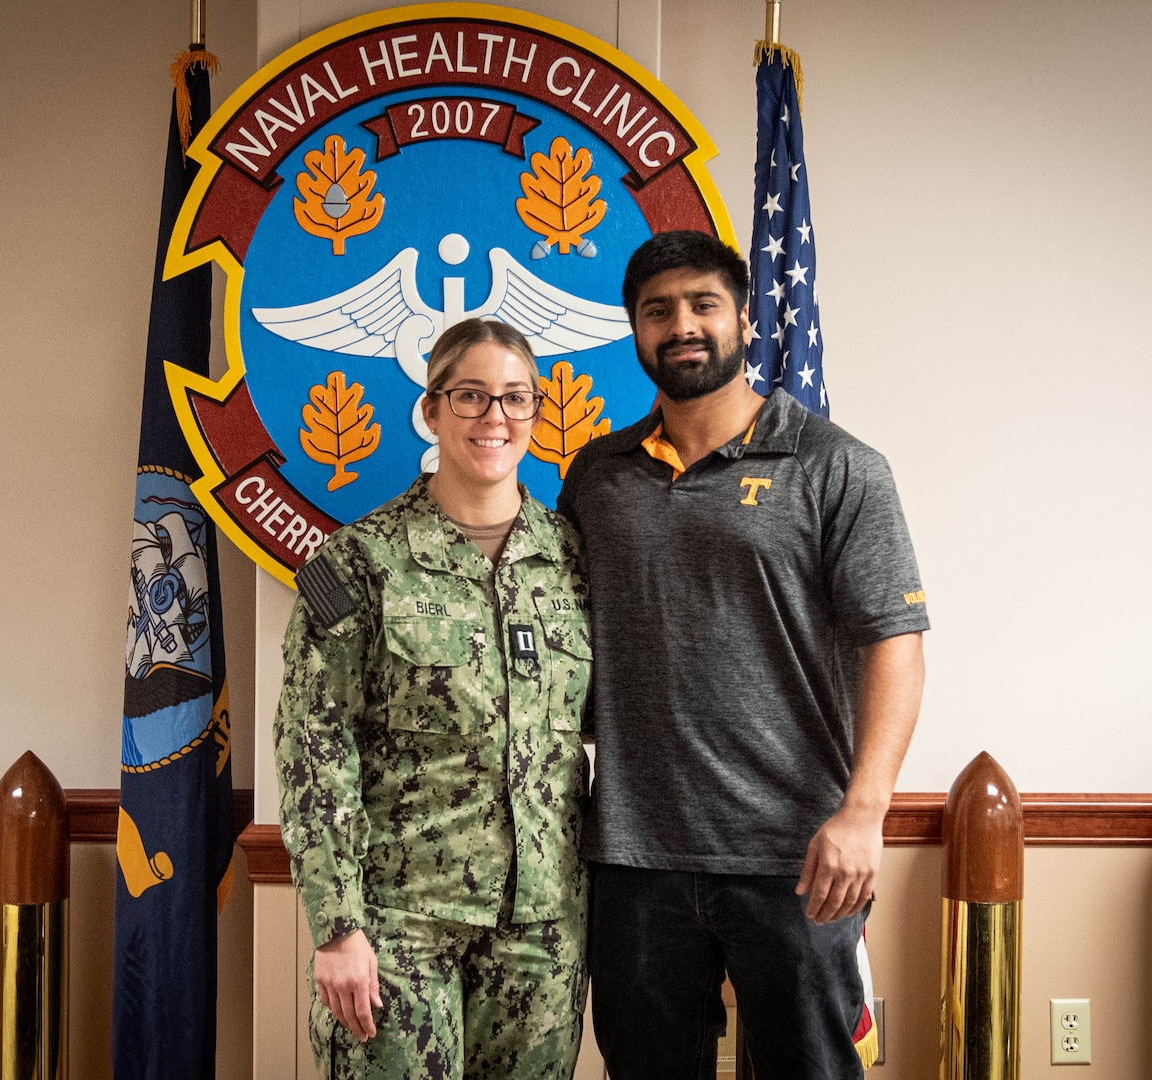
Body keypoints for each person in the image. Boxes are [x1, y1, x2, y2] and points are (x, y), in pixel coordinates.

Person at [557, 231, 929, 1079]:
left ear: (744, 319)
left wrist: (864, 813)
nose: (681, 325)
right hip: (632, 856)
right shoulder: (597, 475)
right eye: (658, 311)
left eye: (702, 305)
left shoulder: (839, 467)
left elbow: (894, 644)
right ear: (634, 330)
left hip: (796, 857)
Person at [274, 317, 592, 1079]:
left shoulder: (573, 558)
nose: (495, 418)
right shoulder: (359, 561)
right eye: (472, 396)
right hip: (398, 924)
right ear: (432, 408)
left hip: (542, 926)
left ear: (537, 415)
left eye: (516, 398)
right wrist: (337, 926)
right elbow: (313, 750)